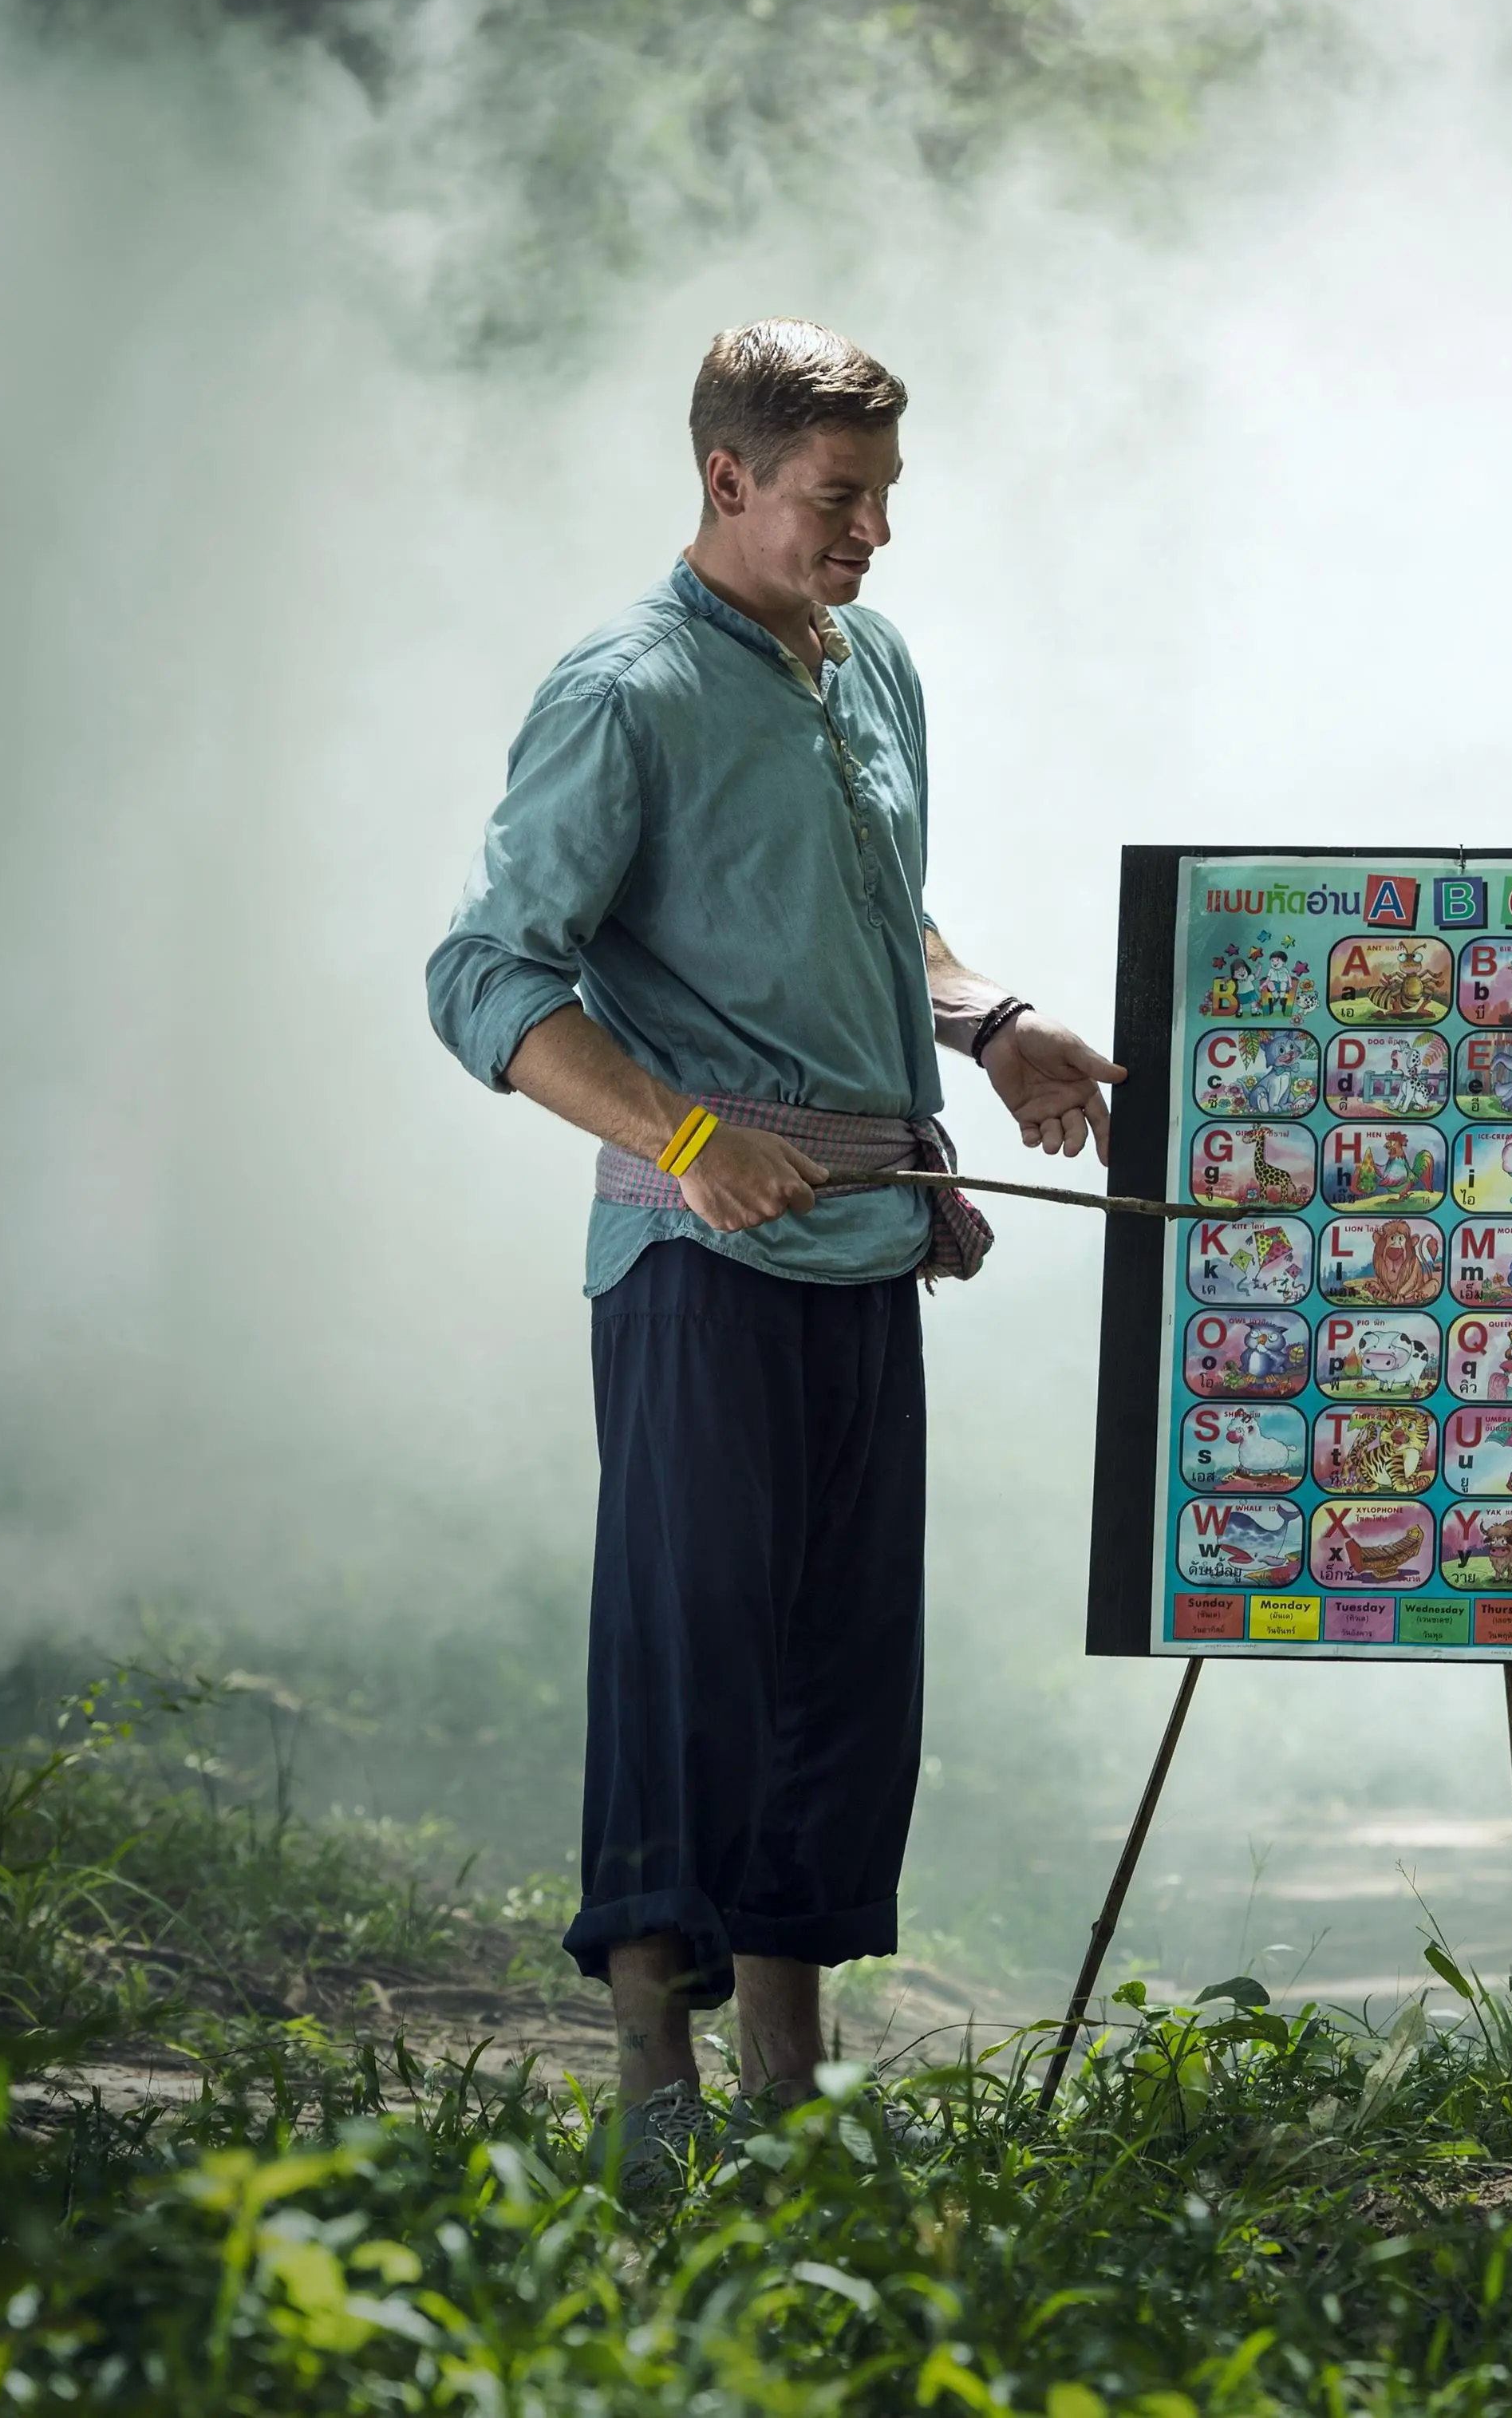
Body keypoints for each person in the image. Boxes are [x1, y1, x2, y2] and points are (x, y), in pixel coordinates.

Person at [424, 319, 1122, 2153]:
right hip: (696, 1261)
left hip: (862, 1248)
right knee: (694, 1659)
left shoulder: (868, 662)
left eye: (884, 497)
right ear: (726, 479)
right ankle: (656, 2106)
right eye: (837, 497)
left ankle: (787, 2099)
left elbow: (878, 911)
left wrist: (994, 1023)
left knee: (837, 1673)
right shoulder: (623, 692)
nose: (871, 532)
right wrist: (688, 1133)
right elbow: (486, 977)